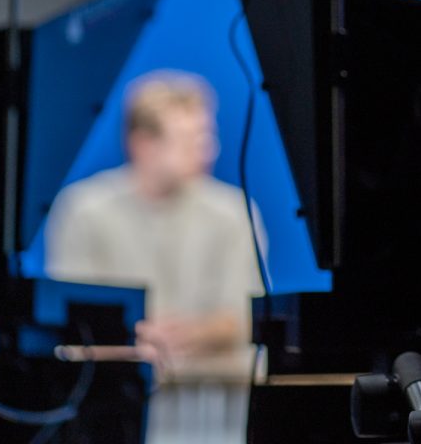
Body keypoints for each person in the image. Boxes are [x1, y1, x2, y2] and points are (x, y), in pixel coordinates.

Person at [46, 70, 265, 444]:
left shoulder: (234, 214)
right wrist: (138, 339)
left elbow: (241, 322)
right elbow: (70, 322)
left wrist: (167, 336)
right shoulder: (84, 209)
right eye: (190, 140)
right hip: (111, 410)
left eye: (207, 136)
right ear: (143, 143)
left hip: (211, 409)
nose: (210, 149)